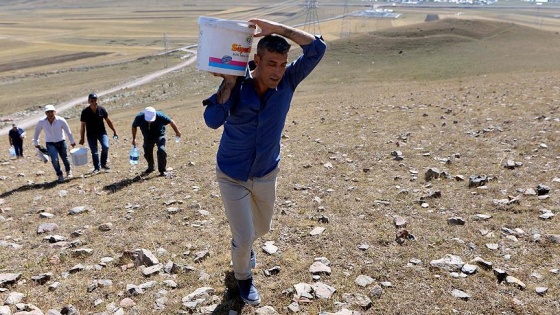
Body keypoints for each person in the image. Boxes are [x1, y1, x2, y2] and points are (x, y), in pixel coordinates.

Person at [202, 19, 326, 305]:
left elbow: (318, 49)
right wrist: (228, 83)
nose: (278, 71)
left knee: (263, 228)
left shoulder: (289, 82)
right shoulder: (237, 84)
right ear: (256, 60)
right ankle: (243, 278)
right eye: (272, 64)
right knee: (244, 238)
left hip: (266, 173)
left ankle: (244, 247)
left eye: (283, 64)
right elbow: (212, 121)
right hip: (231, 173)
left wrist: (275, 29)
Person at [131, 106, 181, 176]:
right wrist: (134, 138)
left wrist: (177, 132)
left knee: (161, 150)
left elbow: (171, 122)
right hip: (147, 137)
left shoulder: (160, 115)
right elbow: (134, 126)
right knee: (147, 152)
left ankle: (162, 170)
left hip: (159, 135)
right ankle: (151, 167)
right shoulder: (139, 117)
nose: (150, 121)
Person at [33, 104, 76, 183]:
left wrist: (72, 141)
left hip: (61, 142)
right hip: (50, 143)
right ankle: (59, 174)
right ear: (45, 113)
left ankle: (68, 171)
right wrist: (36, 142)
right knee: (54, 160)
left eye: (51, 112)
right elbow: (37, 132)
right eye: (48, 112)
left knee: (65, 158)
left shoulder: (61, 120)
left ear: (55, 112)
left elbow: (68, 131)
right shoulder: (42, 122)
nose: (50, 113)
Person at [79, 93, 118, 173]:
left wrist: (114, 131)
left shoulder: (101, 110)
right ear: (89, 101)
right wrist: (82, 138)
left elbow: (108, 121)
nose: (94, 102)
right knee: (94, 152)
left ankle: (103, 164)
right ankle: (96, 167)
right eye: (92, 100)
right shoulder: (85, 112)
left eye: (95, 100)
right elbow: (83, 126)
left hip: (101, 133)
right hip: (91, 135)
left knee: (106, 146)